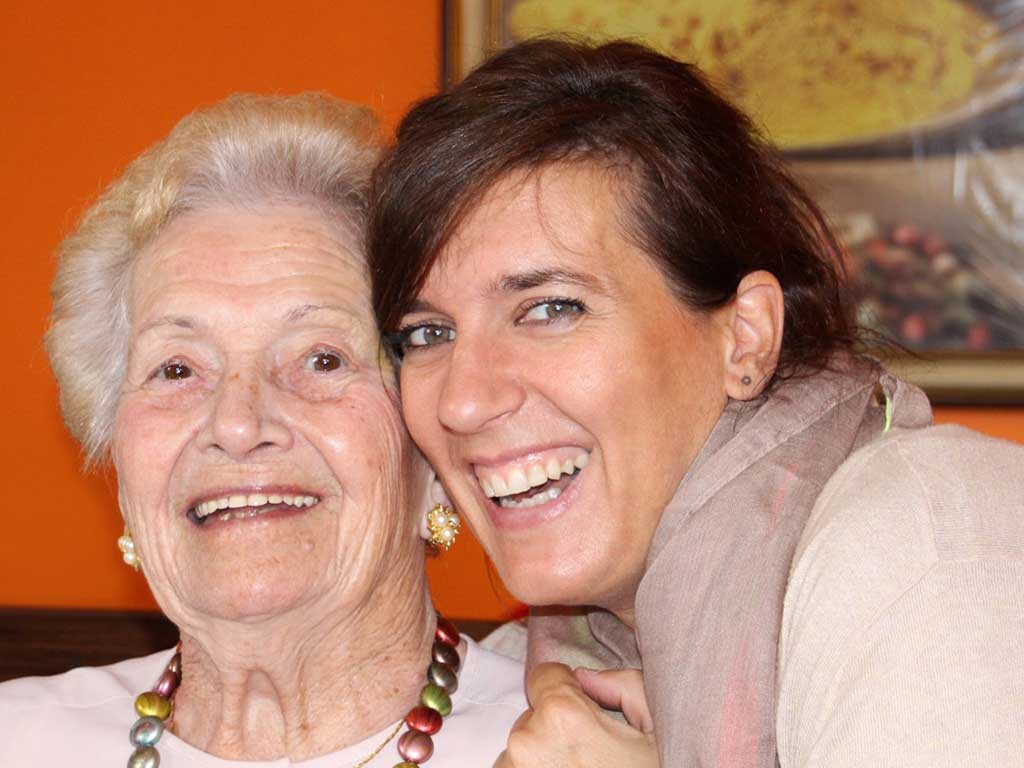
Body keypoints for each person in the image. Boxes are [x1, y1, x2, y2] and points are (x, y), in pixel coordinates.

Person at [369, 39, 1024, 767]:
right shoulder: (545, 672)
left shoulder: (931, 549)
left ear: (745, 338)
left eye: (551, 309)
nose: (463, 401)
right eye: (427, 333)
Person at [0, 93, 525, 767]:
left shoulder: (582, 748)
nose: (238, 424)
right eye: (176, 369)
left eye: (321, 359)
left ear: (431, 459)